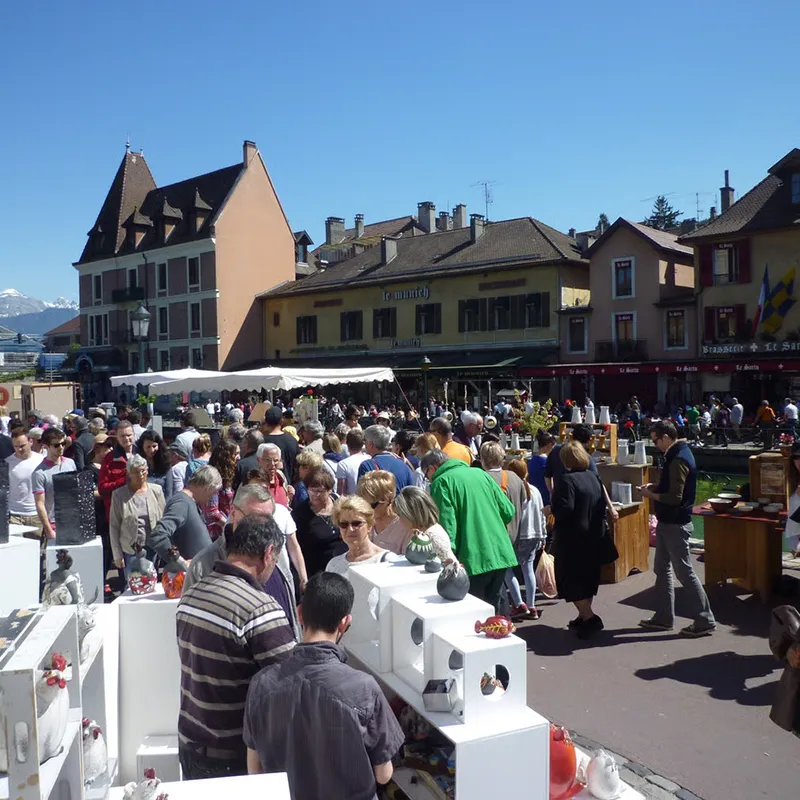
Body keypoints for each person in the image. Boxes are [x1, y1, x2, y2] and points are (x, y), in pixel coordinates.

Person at [244, 572, 403, 798]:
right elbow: (383, 775)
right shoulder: (365, 688)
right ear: (345, 622)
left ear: (299, 614)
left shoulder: (261, 684)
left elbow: (255, 770)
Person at [177, 514, 295, 780]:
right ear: (268, 554)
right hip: (234, 757)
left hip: (190, 745)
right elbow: (292, 683)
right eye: (275, 561)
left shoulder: (192, 594)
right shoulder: (259, 608)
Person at [185, 482, 305, 637]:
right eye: (252, 518)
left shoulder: (276, 553)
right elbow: (191, 627)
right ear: (233, 513)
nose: (259, 527)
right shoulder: (204, 564)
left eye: (267, 519)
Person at [638, 420, 716, 638]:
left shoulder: (678, 458)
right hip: (669, 521)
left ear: (665, 437)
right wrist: (655, 488)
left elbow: (675, 497)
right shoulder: (679, 454)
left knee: (684, 572)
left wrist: (650, 495)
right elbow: (672, 489)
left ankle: (705, 619)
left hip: (675, 522)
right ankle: (664, 617)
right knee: (662, 569)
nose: (655, 444)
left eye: (655, 440)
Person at [422, 450, 517, 610]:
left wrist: (446, 559)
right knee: (497, 607)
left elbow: (447, 528)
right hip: (501, 550)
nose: (428, 479)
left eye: (426, 475)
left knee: (475, 612)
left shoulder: (441, 482)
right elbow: (508, 511)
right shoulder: (481, 474)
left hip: (472, 557)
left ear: (432, 468)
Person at [550, 441, 608, 639]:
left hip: (573, 539)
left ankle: (590, 618)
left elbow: (566, 509)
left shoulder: (567, 480)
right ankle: (583, 615)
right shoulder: (593, 477)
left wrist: (552, 509)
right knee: (587, 578)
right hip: (595, 535)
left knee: (570, 580)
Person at [480, 442, 532, 619]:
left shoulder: (481, 479)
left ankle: (501, 620)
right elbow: (524, 505)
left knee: (495, 587)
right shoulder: (515, 478)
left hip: (491, 539)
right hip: (513, 536)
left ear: (482, 459)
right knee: (503, 579)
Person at [147, 465, 220, 561]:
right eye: (213, 492)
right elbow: (157, 535)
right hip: (186, 574)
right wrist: (180, 562)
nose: (212, 497)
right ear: (207, 488)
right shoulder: (182, 503)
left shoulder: (190, 502)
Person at [109, 455, 166, 579]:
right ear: (129, 473)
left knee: (152, 583)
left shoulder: (157, 490)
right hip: (131, 550)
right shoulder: (119, 495)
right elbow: (114, 526)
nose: (140, 474)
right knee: (133, 585)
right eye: (136, 471)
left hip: (153, 547)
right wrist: (117, 555)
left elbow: (164, 520)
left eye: (143, 470)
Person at [506, 458, 546, 617]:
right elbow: (542, 514)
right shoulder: (535, 490)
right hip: (534, 534)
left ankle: (518, 603)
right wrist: (543, 535)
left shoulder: (513, 490)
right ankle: (532, 605)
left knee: (507, 570)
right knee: (528, 569)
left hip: (518, 535)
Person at [291, 466, 345, 576]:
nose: (316, 495)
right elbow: (297, 548)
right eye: (312, 490)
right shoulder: (300, 514)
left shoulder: (340, 505)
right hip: (317, 571)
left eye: (320, 491)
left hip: (343, 567)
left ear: (330, 490)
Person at [325, 496, 395, 574]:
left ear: (369, 526)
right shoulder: (333, 565)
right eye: (344, 524)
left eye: (356, 523)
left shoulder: (387, 561)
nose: (350, 529)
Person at [393, 486, 456, 563]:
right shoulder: (418, 533)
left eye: (400, 515)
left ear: (412, 513)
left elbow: (449, 568)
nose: (399, 520)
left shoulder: (434, 536)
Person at [357, 470, 410, 555]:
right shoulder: (363, 521)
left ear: (387, 499)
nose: (365, 510)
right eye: (362, 505)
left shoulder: (405, 525)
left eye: (371, 505)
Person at [7, 427, 44, 533]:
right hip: (15, 515)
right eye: (16, 446)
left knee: (39, 549)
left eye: (22, 446)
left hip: (37, 514)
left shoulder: (41, 460)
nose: (19, 449)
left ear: (31, 442)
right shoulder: (7, 463)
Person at [97, 419, 137, 520]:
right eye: (122, 436)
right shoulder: (110, 459)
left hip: (139, 509)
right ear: (117, 437)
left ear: (134, 434)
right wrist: (124, 480)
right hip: (118, 512)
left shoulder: (141, 454)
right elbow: (102, 488)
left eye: (129, 435)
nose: (126, 438)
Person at [357, 425, 414, 492]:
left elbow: (362, 496)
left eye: (365, 440)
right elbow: (411, 494)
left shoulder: (367, 466)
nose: (364, 443)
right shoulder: (404, 465)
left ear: (371, 444)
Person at [202, 439, 239, 540]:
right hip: (216, 535)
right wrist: (231, 527)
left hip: (225, 531)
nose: (239, 457)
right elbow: (212, 513)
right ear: (226, 456)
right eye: (236, 454)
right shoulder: (213, 476)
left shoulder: (228, 475)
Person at [260, 405, 300, 482]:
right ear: (281, 421)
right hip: (288, 486)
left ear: (266, 421)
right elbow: (297, 466)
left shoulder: (261, 442)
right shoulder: (292, 441)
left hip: (265, 485)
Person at [336, 428, 371, 496]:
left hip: (351, 504)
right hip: (368, 503)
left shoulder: (343, 464)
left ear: (347, 444)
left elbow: (341, 493)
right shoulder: (370, 459)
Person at [528, 430, 555, 509]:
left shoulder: (532, 460)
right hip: (546, 501)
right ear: (550, 445)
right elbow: (552, 484)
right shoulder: (547, 462)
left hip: (535, 498)